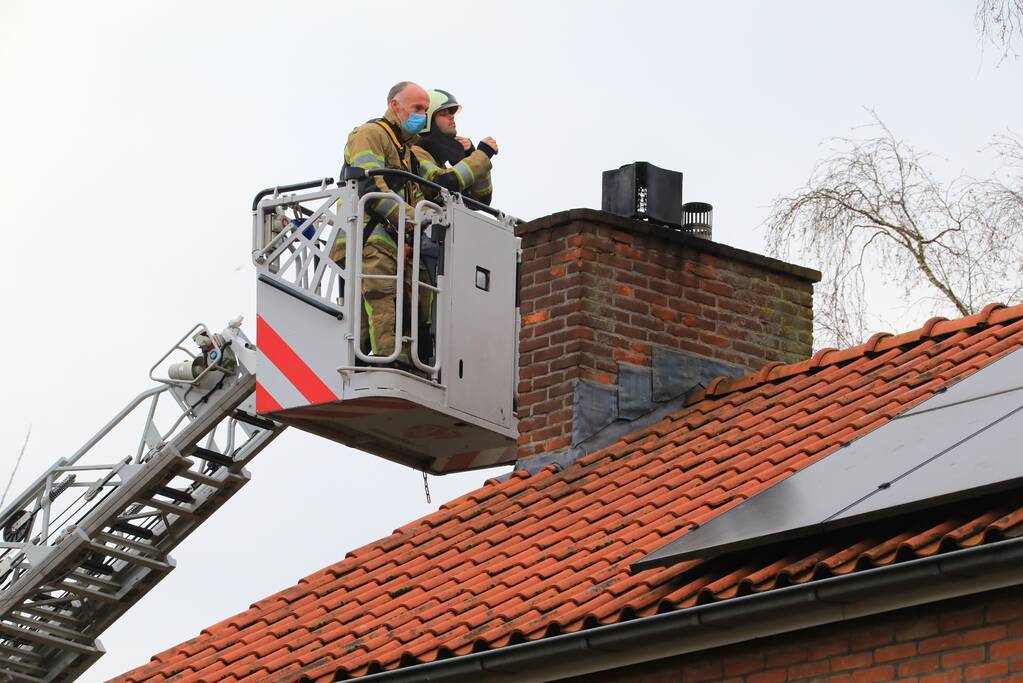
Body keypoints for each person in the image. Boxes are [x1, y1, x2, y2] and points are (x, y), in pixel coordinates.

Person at [330, 81, 433, 364]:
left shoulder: (406, 150)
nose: (422, 116)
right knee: (381, 297)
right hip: (368, 236)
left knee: (390, 305)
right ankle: (388, 362)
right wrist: (415, 220)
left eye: (425, 110)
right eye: (417, 108)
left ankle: (365, 363)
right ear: (394, 105)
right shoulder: (370, 134)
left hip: (390, 241)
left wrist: (429, 218)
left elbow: (416, 194)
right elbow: (371, 186)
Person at [413, 89, 498, 205]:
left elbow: (481, 199)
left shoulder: (439, 164)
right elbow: (442, 184)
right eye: (443, 114)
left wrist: (471, 154)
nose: (452, 117)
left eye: (452, 113)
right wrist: (481, 156)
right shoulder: (415, 152)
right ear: (426, 121)